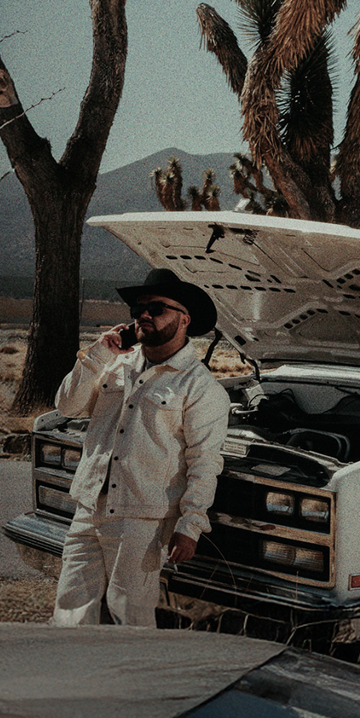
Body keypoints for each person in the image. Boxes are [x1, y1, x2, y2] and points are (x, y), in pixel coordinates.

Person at [51, 268, 230, 628]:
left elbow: (204, 461)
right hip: (89, 506)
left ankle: (133, 669)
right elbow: (67, 406)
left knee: (130, 616)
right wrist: (98, 354)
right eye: (138, 309)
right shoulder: (114, 365)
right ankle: (75, 666)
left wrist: (191, 524)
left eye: (156, 308)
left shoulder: (200, 387)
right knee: (71, 615)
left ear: (184, 320)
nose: (144, 315)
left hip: (142, 520)